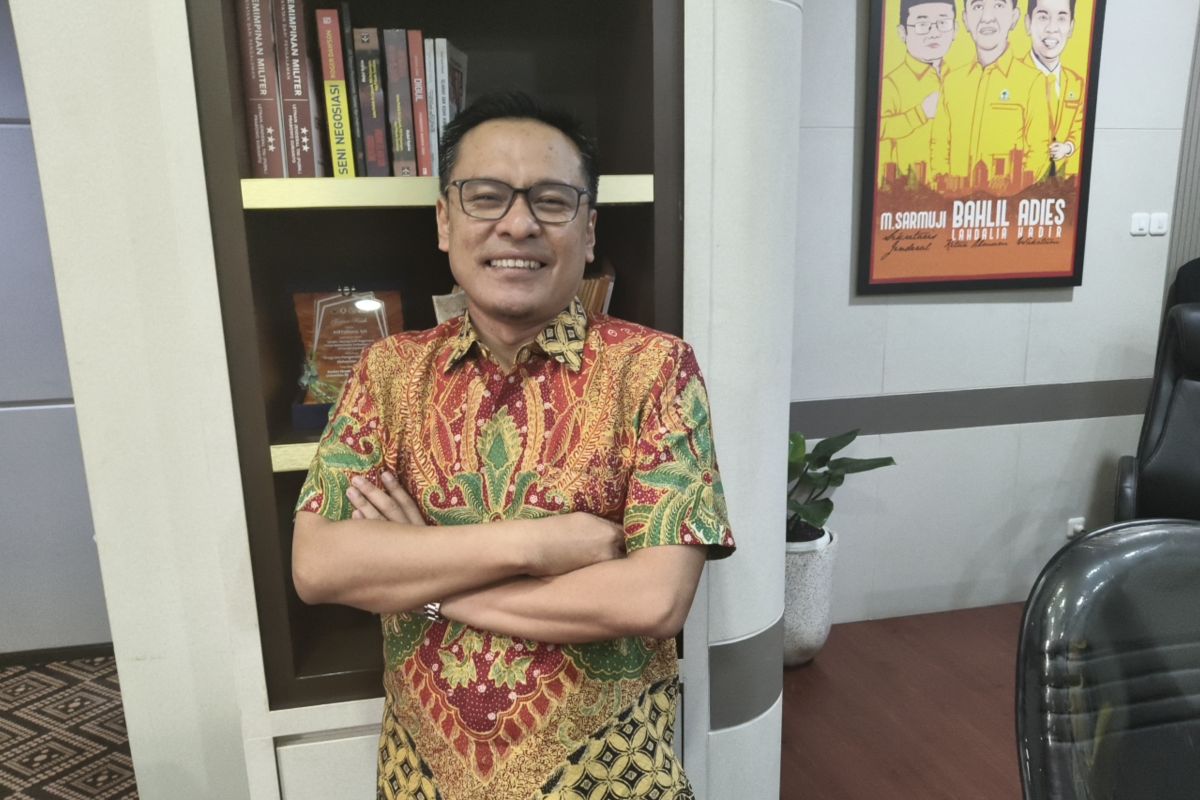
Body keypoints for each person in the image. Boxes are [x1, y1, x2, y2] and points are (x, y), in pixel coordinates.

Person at [291, 90, 735, 800]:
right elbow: (319, 566)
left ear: (589, 231)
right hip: (423, 784)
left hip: (609, 783)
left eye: (552, 201)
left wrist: (426, 588)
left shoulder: (655, 369)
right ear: (445, 220)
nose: (519, 224)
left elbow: (653, 600)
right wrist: (539, 545)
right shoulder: (387, 371)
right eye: (486, 197)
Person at [930, 0, 1051, 185]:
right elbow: (939, 146)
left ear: (1014, 17)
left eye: (998, 5)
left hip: (1007, 198)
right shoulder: (951, 82)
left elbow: (1039, 151)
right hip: (955, 197)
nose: (987, 17)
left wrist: (1013, 192)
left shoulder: (1032, 81)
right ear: (965, 19)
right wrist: (945, 186)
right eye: (978, 6)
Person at [879, 0, 957, 182]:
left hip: (955, 185)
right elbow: (879, 130)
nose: (934, 33)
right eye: (922, 25)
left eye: (943, 23)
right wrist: (919, 114)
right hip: (910, 187)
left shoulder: (959, 77)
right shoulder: (891, 84)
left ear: (956, 29)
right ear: (902, 33)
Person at [1022, 0, 1085, 176]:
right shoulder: (1012, 78)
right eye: (1043, 17)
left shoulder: (1076, 83)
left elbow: (1079, 127)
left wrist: (1068, 147)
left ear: (1071, 27)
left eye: (1061, 18)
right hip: (1022, 178)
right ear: (1028, 23)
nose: (1052, 28)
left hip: (1063, 182)